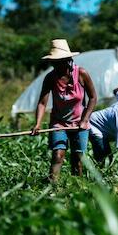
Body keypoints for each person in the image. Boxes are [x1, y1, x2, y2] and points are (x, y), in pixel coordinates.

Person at [31, 39, 97, 181]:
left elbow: (93, 98)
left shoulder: (81, 74)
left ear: (67, 60)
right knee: (57, 155)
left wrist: (85, 120)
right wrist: (37, 124)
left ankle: (76, 190)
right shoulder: (50, 77)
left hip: (80, 123)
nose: (55, 65)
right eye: (53, 62)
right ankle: (51, 187)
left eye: (58, 61)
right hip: (59, 122)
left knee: (77, 160)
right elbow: (42, 103)